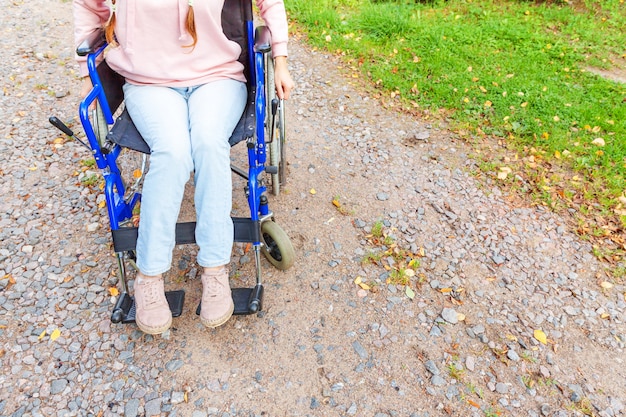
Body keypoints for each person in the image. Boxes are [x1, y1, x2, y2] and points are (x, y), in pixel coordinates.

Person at [73, 0, 294, 334]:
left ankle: (215, 269)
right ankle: (148, 276)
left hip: (217, 77)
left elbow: (271, 3)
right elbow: (89, 6)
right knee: (173, 153)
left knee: (208, 143)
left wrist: (280, 59)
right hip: (149, 82)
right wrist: (86, 75)